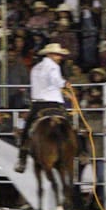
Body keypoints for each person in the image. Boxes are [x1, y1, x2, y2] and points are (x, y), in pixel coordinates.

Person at [14, 43, 72, 173]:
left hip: (38, 104)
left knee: (27, 129)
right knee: (69, 125)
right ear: (50, 54)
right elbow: (55, 79)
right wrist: (65, 84)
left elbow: (43, 83)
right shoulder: (53, 67)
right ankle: (81, 151)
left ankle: (21, 159)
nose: (60, 57)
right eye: (57, 54)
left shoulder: (35, 68)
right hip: (54, 103)